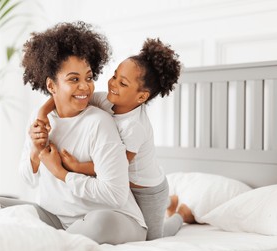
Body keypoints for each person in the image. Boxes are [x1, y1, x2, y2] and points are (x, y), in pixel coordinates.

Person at [0, 21, 147, 245]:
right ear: (51, 86)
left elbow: (115, 194)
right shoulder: (39, 118)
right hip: (57, 218)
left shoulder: (99, 122)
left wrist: (61, 172)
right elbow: (28, 179)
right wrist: (36, 151)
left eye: (88, 78)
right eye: (74, 79)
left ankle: (52, 243)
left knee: (98, 222)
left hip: (112, 218)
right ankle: (55, 239)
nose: (85, 87)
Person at [37, 38, 195, 240]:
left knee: (154, 238)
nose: (112, 84)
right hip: (127, 186)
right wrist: (42, 113)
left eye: (123, 83)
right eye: (114, 76)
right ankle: (170, 202)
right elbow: (65, 97)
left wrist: (75, 166)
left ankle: (181, 215)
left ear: (141, 97)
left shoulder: (133, 127)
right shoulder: (107, 100)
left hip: (148, 191)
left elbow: (118, 164)